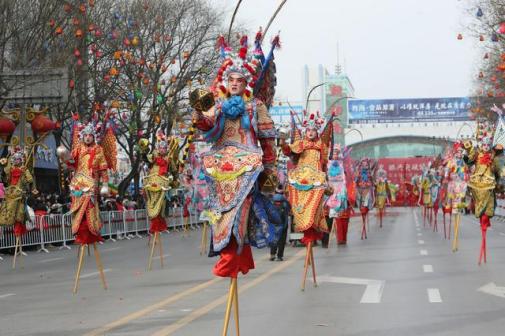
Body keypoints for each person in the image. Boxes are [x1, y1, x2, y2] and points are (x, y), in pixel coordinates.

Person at [190, 31, 281, 334]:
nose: (235, 84)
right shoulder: (217, 104)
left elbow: (267, 139)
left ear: (247, 84)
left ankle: (231, 258)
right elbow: (206, 124)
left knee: (240, 212)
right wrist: (198, 113)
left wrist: (269, 170)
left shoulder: (256, 107)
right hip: (220, 169)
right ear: (225, 82)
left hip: (248, 169)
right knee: (221, 215)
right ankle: (229, 255)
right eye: (231, 80)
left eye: (240, 81)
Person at [464, 118, 503, 265]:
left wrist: (498, 171)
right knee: (476, 201)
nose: (486, 146)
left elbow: (498, 171)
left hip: (489, 185)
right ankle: (473, 208)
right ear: (481, 144)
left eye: (488, 144)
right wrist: (467, 151)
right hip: (477, 184)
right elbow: (468, 160)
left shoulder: (493, 157)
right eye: (484, 144)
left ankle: (485, 220)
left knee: (489, 209)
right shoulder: (477, 154)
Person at [270, 184, 290, 261]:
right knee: (282, 240)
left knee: (273, 238)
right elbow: (289, 210)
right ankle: (279, 256)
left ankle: (272, 254)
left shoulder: (271, 201)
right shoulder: (285, 202)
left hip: (273, 224)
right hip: (283, 224)